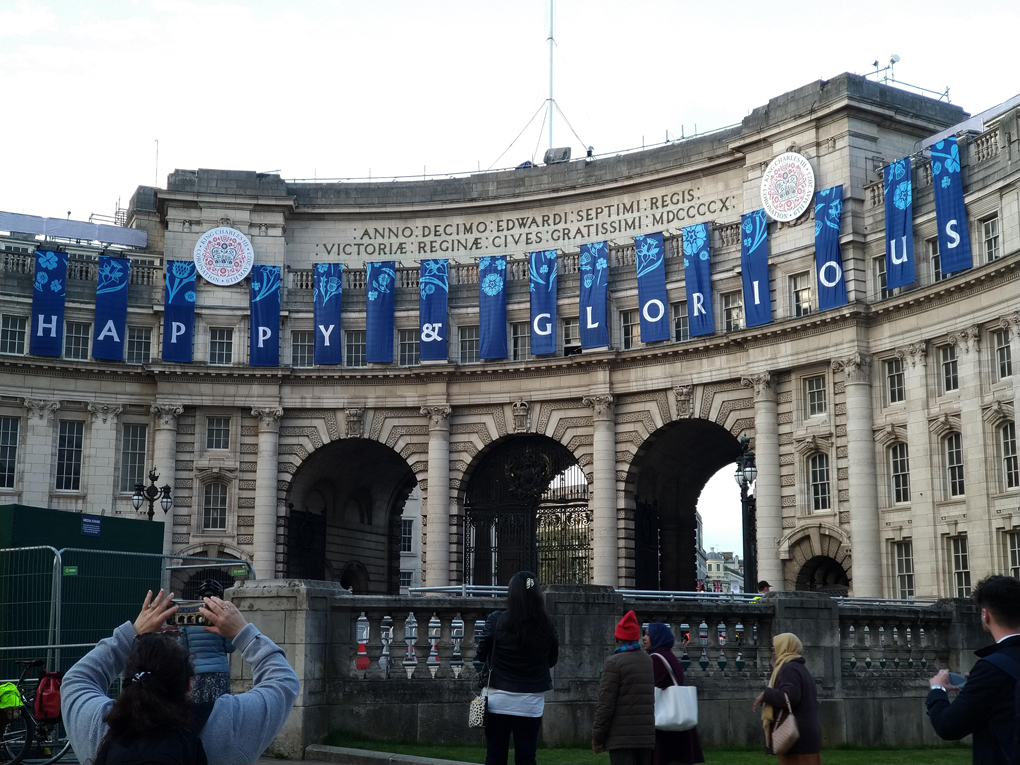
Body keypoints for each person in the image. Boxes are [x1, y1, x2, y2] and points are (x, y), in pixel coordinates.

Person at [61, 588, 300, 765]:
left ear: (129, 675)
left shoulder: (98, 726)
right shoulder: (228, 724)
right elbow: (283, 682)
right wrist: (243, 632)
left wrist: (131, 634)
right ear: (188, 684)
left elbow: (76, 680)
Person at [926, 575, 1020, 765]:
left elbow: (948, 726)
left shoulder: (993, 669)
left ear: (986, 615)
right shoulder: (994, 670)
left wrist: (937, 690)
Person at [474, 571, 559, 765]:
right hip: (530, 701)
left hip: (497, 698)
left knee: (495, 755)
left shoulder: (496, 620)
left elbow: (481, 653)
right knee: (527, 757)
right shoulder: (547, 626)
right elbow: (552, 660)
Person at [592, 610, 655, 765]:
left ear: (618, 638)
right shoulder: (648, 661)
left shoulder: (614, 663)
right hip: (645, 737)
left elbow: (605, 705)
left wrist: (597, 737)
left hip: (622, 738)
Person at [752, 633, 822, 765]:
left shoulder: (789, 669)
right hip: (805, 738)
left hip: (797, 740)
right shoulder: (800, 668)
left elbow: (790, 697)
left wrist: (767, 694)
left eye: (776, 648)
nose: (774, 653)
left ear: (785, 648)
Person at [643, 623, 704, 765]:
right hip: (677, 720)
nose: (644, 638)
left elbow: (650, 685)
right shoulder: (669, 656)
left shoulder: (657, 659)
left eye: (647, 634)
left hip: (666, 722)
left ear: (656, 637)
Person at [179, 579, 236, 703]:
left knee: (198, 711)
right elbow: (230, 647)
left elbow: (183, 646)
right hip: (219, 671)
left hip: (196, 672)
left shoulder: (189, 616)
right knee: (220, 710)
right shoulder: (222, 616)